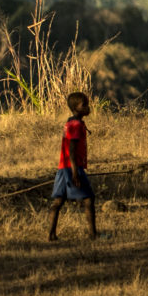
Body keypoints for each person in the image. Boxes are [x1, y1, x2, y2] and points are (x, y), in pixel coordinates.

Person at [48, 90, 98, 241]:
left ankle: (51, 234)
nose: (88, 107)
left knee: (58, 201)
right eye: (84, 105)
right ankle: (93, 235)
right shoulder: (75, 125)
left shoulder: (71, 123)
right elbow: (71, 148)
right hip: (72, 168)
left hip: (63, 168)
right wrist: (76, 172)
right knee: (89, 199)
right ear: (76, 108)